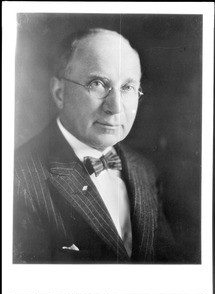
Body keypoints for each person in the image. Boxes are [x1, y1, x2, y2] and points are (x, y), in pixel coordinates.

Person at [13, 28, 176, 263]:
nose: (116, 107)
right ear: (59, 92)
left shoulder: (145, 171)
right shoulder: (18, 179)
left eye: (128, 87)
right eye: (97, 83)